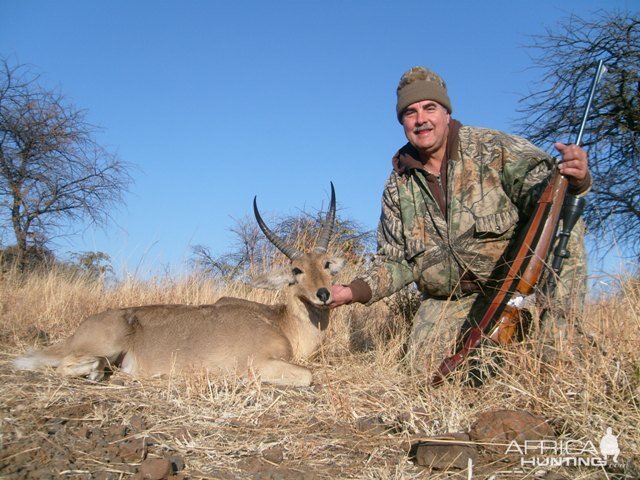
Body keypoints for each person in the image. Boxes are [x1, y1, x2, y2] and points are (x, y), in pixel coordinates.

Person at [331, 66, 590, 372]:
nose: (421, 119)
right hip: (448, 301)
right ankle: (512, 338)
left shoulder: (493, 148)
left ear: (446, 114)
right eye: (410, 112)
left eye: (430, 108)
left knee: (562, 230)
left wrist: (577, 178)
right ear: (402, 122)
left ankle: (558, 357)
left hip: (509, 285)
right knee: (422, 370)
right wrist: (352, 291)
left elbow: (548, 194)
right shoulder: (397, 185)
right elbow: (395, 261)